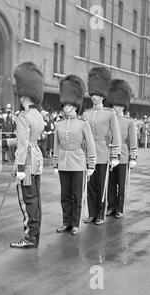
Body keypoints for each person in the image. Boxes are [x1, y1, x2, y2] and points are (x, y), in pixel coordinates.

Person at [2, 62, 45, 249]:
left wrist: (19, 168)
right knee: (35, 199)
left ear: (24, 96)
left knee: (26, 200)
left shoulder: (23, 117)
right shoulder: (38, 115)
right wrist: (4, 142)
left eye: (21, 97)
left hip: (26, 163)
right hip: (36, 160)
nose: (20, 99)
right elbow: (28, 139)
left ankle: (29, 237)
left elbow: (22, 145)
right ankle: (35, 236)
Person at [53, 75, 96, 236]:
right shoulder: (59, 124)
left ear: (76, 106)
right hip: (64, 162)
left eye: (70, 105)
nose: (66, 108)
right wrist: (56, 163)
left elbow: (90, 146)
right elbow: (56, 145)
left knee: (77, 195)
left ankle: (75, 224)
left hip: (78, 163)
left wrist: (91, 165)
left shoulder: (83, 124)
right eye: (65, 105)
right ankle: (66, 222)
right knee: (65, 195)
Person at [82, 67, 121, 226]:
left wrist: (115, 155)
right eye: (93, 95)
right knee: (91, 186)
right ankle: (92, 213)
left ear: (103, 96)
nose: (95, 97)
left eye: (98, 95)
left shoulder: (110, 114)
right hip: (88, 154)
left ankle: (101, 214)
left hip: (103, 153)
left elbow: (116, 135)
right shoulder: (86, 113)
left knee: (101, 185)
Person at [106, 80, 138, 219]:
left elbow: (132, 141)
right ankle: (111, 206)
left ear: (123, 106)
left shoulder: (129, 121)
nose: (116, 107)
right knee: (111, 183)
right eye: (114, 104)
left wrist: (133, 157)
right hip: (109, 153)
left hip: (123, 156)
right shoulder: (108, 119)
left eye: (119, 105)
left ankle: (119, 208)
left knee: (121, 185)